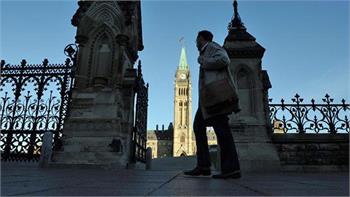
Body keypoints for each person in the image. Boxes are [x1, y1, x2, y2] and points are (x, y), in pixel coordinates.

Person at [183, 30, 241, 179]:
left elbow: (224, 59)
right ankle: (204, 166)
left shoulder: (213, 47)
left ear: (201, 39)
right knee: (198, 126)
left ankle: (231, 169)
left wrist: (204, 61)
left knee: (222, 131)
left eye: (197, 39)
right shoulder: (206, 50)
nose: (195, 42)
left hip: (217, 97)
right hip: (208, 99)